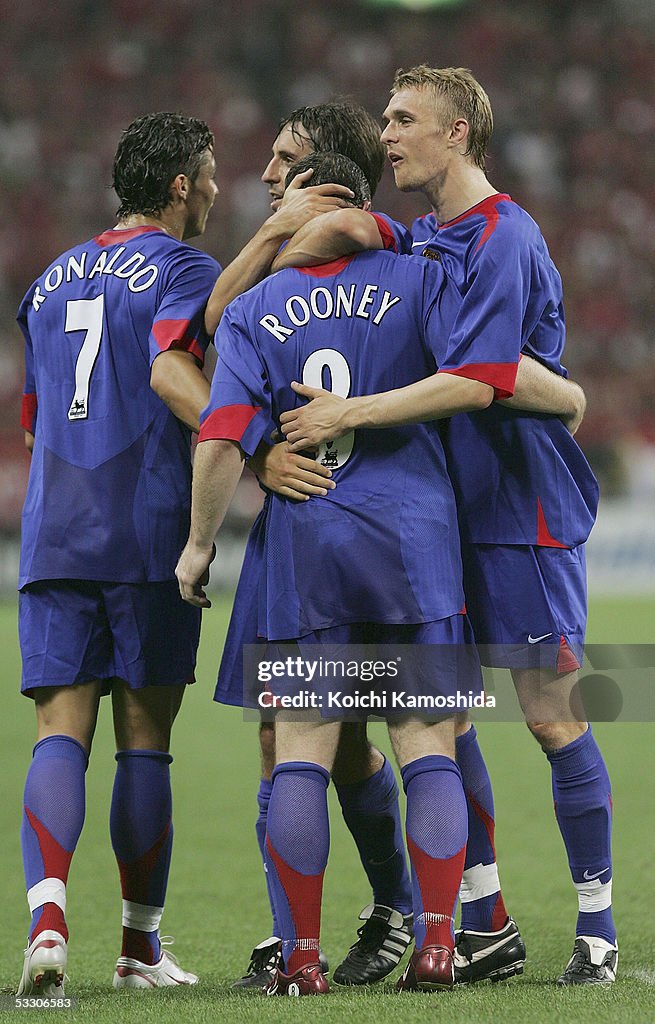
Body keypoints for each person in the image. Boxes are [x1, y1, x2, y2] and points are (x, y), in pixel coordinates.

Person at [278, 66, 616, 987]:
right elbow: (365, 236)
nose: (386, 134)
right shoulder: (425, 237)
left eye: (403, 119)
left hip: (518, 511)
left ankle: (597, 925)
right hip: (438, 518)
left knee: (550, 717)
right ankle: (486, 919)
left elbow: (478, 378)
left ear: (458, 131)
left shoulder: (506, 235)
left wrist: (350, 413)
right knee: (443, 726)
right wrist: (310, 217)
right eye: (385, 119)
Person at [176, 150, 510, 996]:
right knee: (425, 742)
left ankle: (301, 960)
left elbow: (218, 436)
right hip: (413, 538)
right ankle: (438, 945)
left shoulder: (253, 308)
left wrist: (199, 544)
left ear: (314, 209)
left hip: (307, 543)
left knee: (301, 751)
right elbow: (476, 380)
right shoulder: (422, 277)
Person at [207, 103, 416, 990]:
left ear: (324, 176)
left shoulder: (375, 245)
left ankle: (413, 907)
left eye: (282, 162)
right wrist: (260, 450)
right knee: (286, 733)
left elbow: (221, 322)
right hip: (300, 520)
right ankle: (293, 930)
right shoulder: (263, 267)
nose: (264, 177)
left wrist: (307, 225)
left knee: (367, 736)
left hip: (353, 524)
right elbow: (197, 344)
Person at [16, 112, 220, 996]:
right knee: (144, 743)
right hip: (147, 527)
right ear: (179, 185)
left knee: (59, 733)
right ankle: (137, 950)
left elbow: (33, 419)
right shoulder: (184, 268)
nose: (216, 189)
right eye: (208, 175)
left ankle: (48, 920)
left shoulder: (47, 280)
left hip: (54, 529)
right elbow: (171, 370)